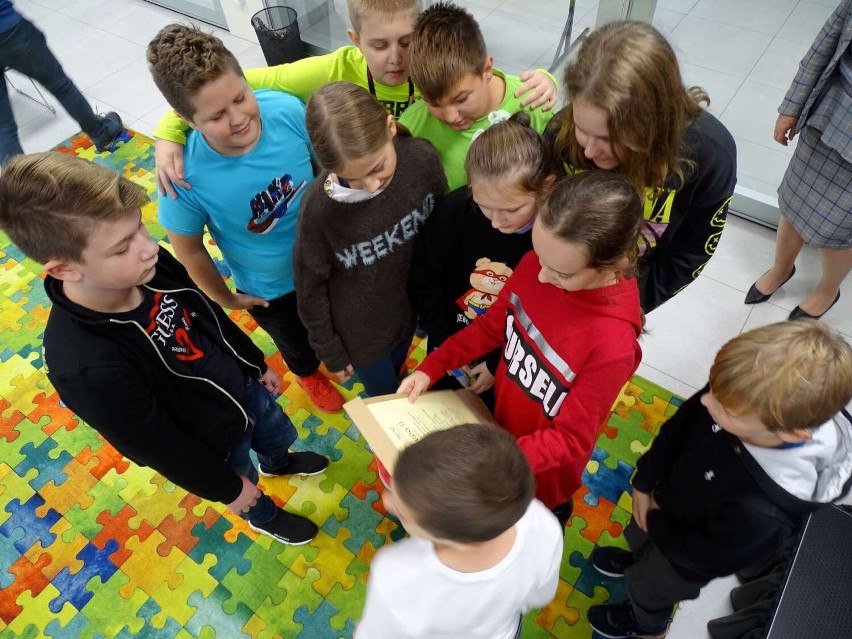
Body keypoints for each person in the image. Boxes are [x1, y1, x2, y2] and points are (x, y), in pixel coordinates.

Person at [0, 152, 332, 545]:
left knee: (276, 435)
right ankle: (264, 514)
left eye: (140, 228)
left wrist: (254, 362)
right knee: (246, 484)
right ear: (65, 269)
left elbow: (208, 313)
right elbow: (159, 446)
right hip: (213, 442)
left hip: (243, 388)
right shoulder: (85, 367)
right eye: (122, 247)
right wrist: (229, 490)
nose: (149, 248)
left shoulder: (151, 268)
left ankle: (279, 463)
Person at [399, 171, 644, 525]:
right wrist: (431, 367)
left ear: (611, 264)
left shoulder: (612, 346)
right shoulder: (537, 265)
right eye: (540, 256)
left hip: (538, 482)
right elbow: (490, 327)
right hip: (497, 433)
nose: (541, 276)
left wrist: (495, 459)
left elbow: (571, 440)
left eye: (562, 273)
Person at [587, 321, 852, 638]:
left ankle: (646, 623)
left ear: (789, 433)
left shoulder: (767, 513)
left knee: (651, 590)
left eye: (725, 409)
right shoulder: (734, 394)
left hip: (683, 560)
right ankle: (637, 559)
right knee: (638, 541)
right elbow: (679, 427)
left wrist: (655, 520)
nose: (706, 401)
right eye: (712, 387)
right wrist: (645, 480)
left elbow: (705, 558)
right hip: (661, 503)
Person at [152, 0, 556, 199]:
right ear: (356, 41)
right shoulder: (332, 67)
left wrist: (546, 79)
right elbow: (239, 85)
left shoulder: (437, 69)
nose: (396, 58)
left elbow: (478, 72)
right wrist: (171, 129)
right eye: (379, 45)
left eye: (407, 42)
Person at [147, 24, 345, 414]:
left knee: (334, 315)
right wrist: (226, 298)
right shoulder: (183, 176)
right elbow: (188, 251)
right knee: (294, 342)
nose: (238, 118)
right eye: (217, 115)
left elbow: (322, 167)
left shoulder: (286, 110)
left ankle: (333, 351)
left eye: (241, 97)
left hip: (327, 258)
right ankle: (307, 373)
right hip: (269, 290)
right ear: (187, 121)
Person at [546, 21, 737, 312]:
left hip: (629, 293)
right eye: (583, 129)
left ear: (657, 122)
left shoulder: (710, 155)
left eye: (611, 139)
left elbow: (690, 253)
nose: (589, 149)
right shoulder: (561, 131)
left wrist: (627, 306)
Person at [293, 81, 446, 397]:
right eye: (354, 178)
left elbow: (441, 232)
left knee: (401, 371)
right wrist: (328, 348)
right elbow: (310, 288)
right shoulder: (318, 211)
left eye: (377, 168)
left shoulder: (423, 160)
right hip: (361, 338)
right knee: (386, 396)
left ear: (390, 127)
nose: (372, 186)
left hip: (410, 312)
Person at [355, 423, 564, 639]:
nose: (386, 502)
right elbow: (540, 596)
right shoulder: (543, 522)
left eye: (403, 512)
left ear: (460, 542)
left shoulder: (396, 573)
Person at [408, 111, 556, 405]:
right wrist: (443, 341)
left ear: (546, 187)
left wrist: (495, 362)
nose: (497, 222)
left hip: (513, 358)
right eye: (484, 206)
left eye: (511, 209)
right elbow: (424, 281)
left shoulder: (554, 239)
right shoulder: (451, 212)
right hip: (449, 339)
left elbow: (544, 318)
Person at [745, 0, 852, 320]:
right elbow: (826, 43)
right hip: (831, 111)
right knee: (793, 201)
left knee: (840, 230)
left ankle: (827, 290)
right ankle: (781, 269)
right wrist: (791, 107)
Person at [398, 1, 556, 190]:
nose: (450, 116)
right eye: (434, 104)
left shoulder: (533, 101)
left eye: (461, 99)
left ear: (487, 70)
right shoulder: (411, 127)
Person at [0, 0, 122, 163]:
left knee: (2, 125)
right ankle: (100, 133)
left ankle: (18, 184)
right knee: (61, 86)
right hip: (9, 29)